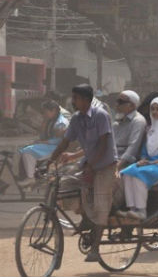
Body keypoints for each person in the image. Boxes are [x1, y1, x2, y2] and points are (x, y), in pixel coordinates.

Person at [48, 84, 117, 262]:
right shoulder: (77, 119)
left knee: (101, 204)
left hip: (105, 166)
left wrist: (92, 167)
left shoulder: (101, 116)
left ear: (86, 99)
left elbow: (103, 144)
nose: (73, 101)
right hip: (87, 164)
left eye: (76, 98)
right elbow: (65, 142)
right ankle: (85, 215)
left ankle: (95, 249)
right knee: (66, 184)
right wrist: (50, 160)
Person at [119, 97, 158, 221]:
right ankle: (132, 209)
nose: (154, 112)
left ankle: (142, 211)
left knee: (139, 175)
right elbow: (144, 151)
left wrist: (153, 162)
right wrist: (142, 160)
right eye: (152, 109)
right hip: (150, 164)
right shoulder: (150, 129)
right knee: (127, 173)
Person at [16, 100, 69, 188]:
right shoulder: (50, 120)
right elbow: (42, 135)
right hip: (48, 146)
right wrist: (44, 123)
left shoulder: (61, 122)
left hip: (56, 148)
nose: (44, 114)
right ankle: (29, 176)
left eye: (45, 112)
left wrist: (45, 142)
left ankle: (30, 177)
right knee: (25, 150)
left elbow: (60, 140)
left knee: (27, 151)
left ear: (54, 110)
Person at [113, 90, 146, 172]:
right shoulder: (117, 121)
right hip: (112, 158)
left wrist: (118, 165)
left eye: (121, 102)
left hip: (125, 162)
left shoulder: (138, 121)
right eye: (117, 101)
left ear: (131, 105)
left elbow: (133, 147)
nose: (117, 104)